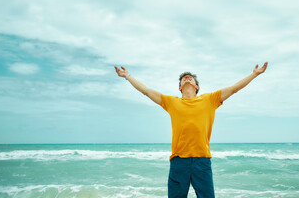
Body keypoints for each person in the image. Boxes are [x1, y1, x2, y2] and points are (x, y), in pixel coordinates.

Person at [114, 62, 268, 198]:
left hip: (202, 161)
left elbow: (234, 89)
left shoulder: (210, 99)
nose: (187, 78)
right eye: (184, 78)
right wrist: (128, 76)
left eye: (190, 78)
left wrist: (254, 74)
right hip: (178, 161)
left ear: (197, 86)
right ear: (180, 87)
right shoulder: (171, 102)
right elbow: (146, 91)